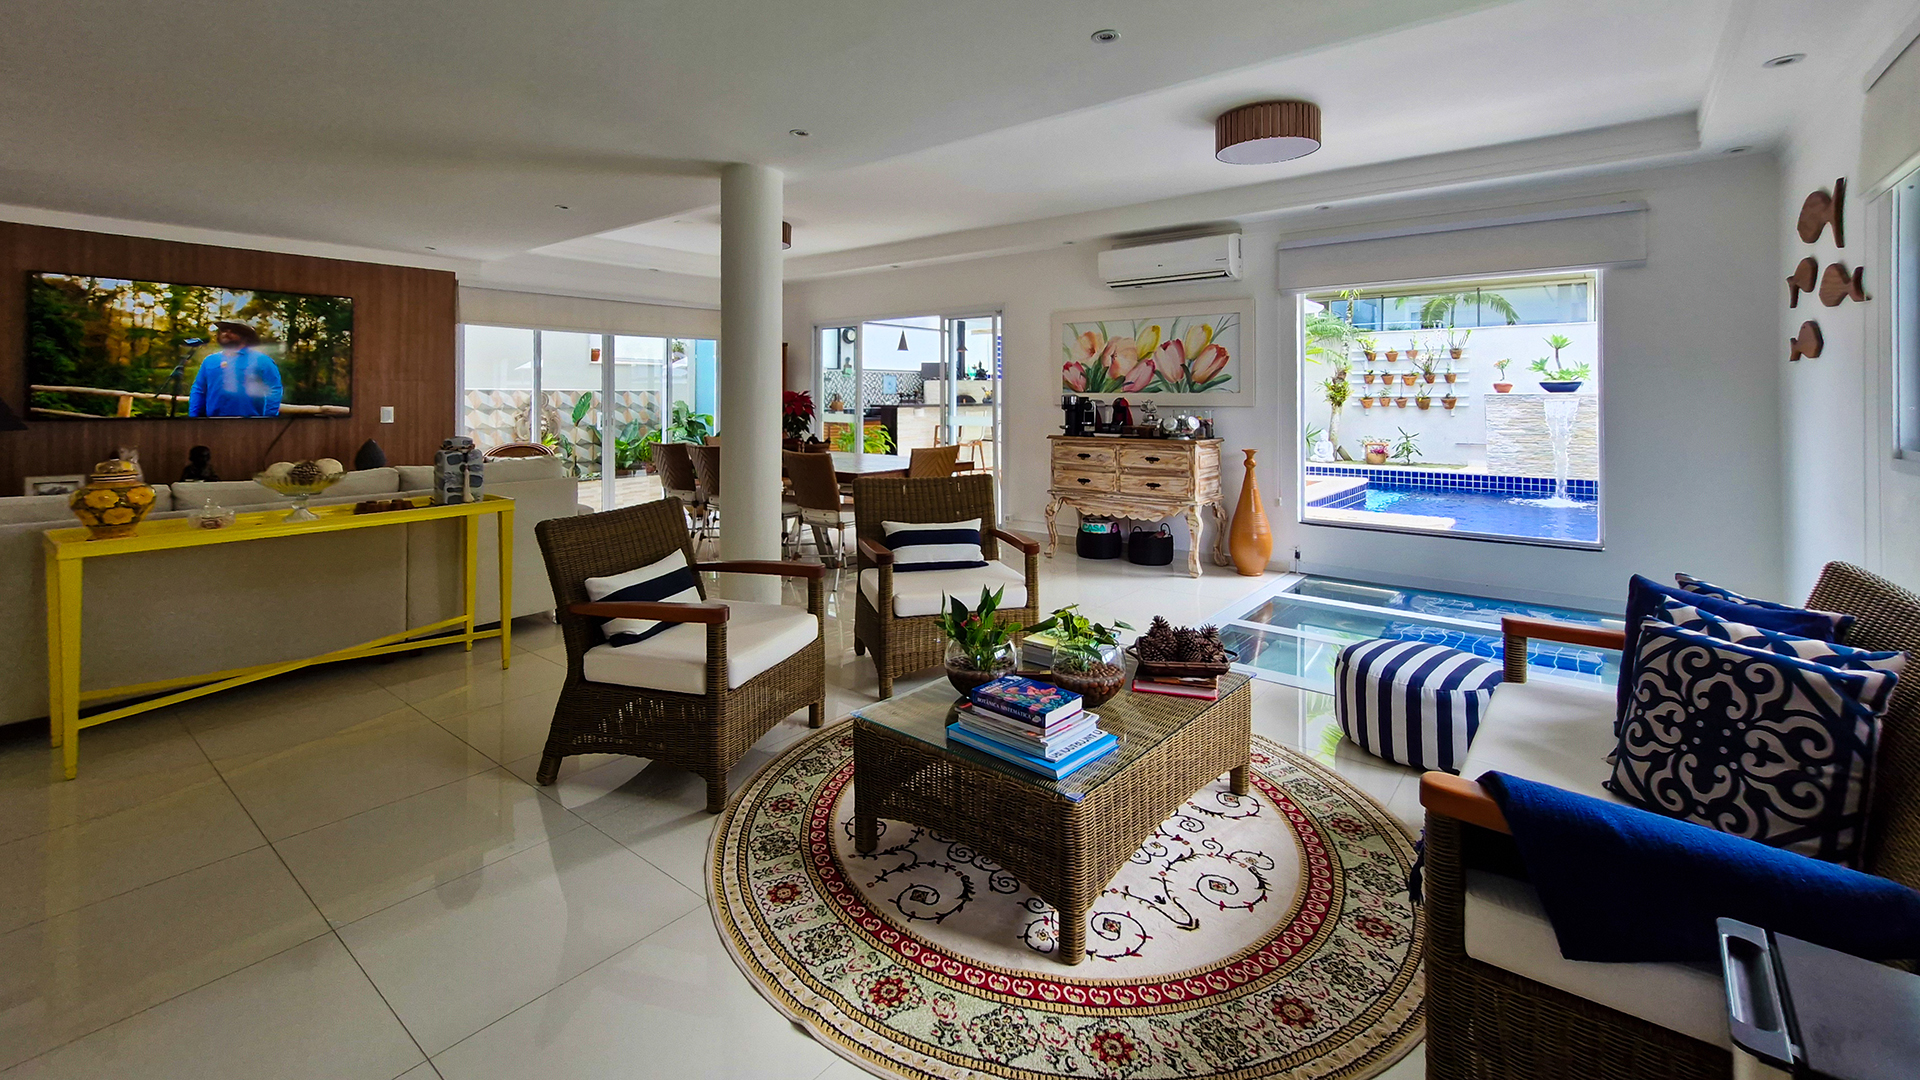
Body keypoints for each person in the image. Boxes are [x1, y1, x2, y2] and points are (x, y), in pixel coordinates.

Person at [186, 321, 282, 417]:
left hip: (250, 422)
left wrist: (268, 418)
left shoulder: (262, 360)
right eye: (223, 330)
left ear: (246, 337)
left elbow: (274, 389)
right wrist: (194, 417)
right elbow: (199, 389)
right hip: (213, 421)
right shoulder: (210, 360)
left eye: (233, 331)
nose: (226, 333)